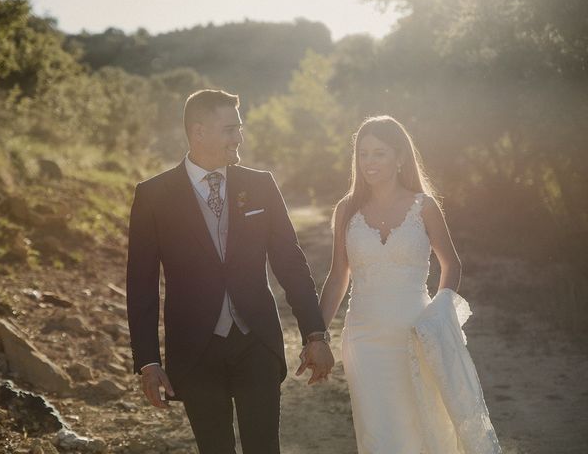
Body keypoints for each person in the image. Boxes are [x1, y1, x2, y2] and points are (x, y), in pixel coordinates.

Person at [126, 89, 334, 454]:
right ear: (199, 132)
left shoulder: (261, 185)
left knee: (264, 447)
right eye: (229, 129)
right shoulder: (152, 195)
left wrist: (315, 334)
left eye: (239, 128)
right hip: (194, 350)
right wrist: (147, 362)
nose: (239, 137)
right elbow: (141, 285)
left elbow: (291, 263)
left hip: (257, 342)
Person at [319, 116, 499, 453]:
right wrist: (317, 334)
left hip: (416, 335)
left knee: (425, 427)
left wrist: (440, 314)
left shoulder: (424, 206)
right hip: (364, 338)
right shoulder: (346, 209)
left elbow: (451, 264)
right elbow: (337, 276)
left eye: (379, 153)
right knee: (379, 434)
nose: (369, 162)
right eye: (363, 154)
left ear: (400, 157)